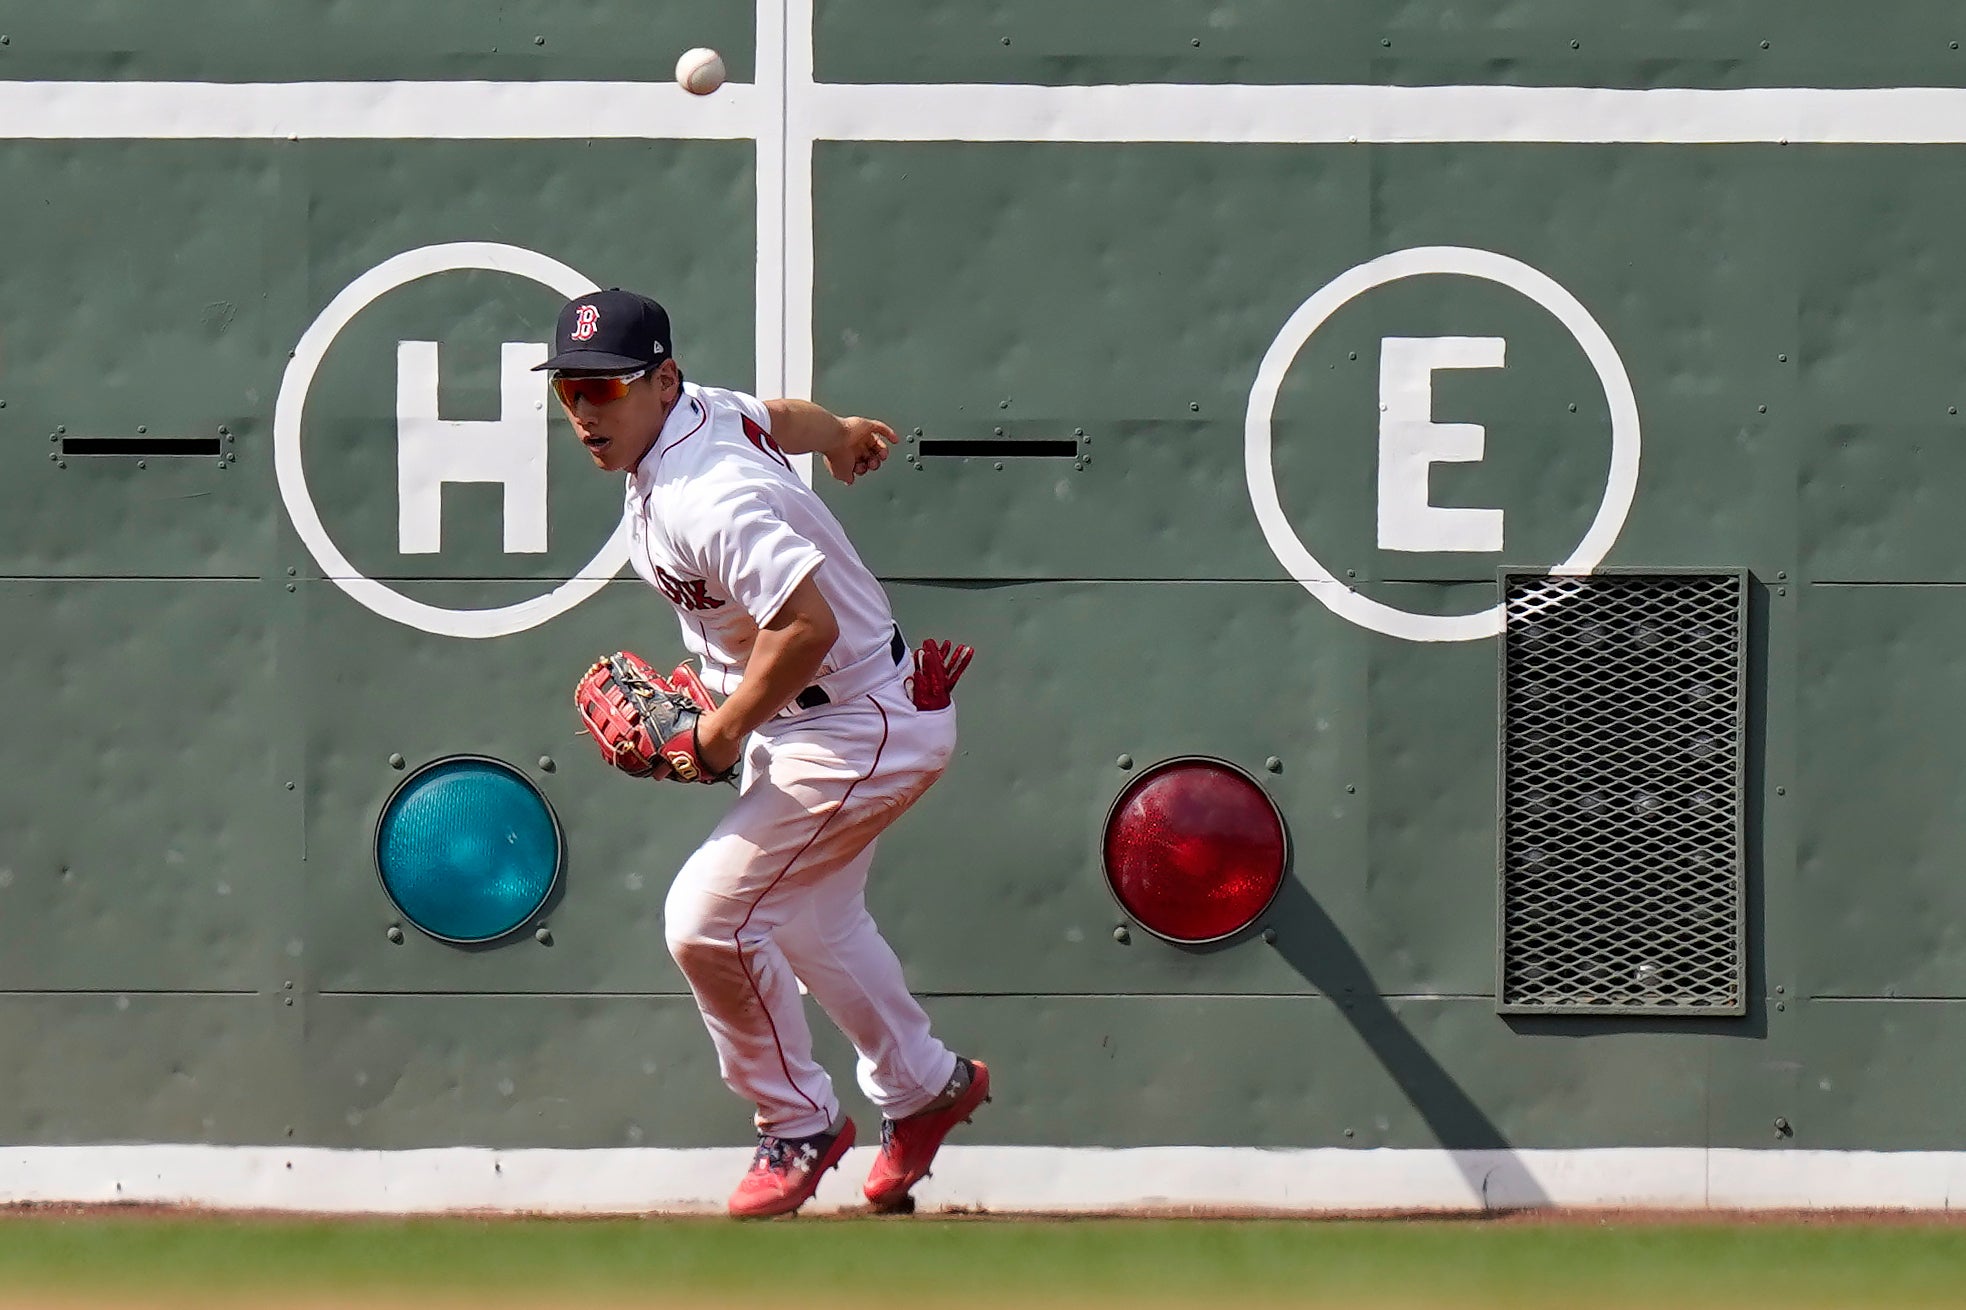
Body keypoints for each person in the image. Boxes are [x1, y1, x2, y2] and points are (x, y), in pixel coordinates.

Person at [537, 289, 989, 1218]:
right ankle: (927, 1086)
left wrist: (718, 728)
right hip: (825, 716)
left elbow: (806, 628)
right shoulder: (695, 417)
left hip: (853, 726)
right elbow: (775, 415)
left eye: (605, 389)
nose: (585, 410)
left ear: (660, 383)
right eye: (570, 389)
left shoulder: (714, 496)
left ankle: (797, 1124)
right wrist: (840, 434)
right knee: (815, 923)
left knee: (705, 921)